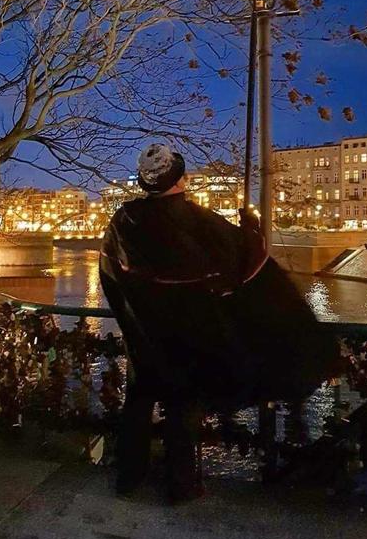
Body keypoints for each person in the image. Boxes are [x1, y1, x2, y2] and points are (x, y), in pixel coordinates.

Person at [100, 144, 339, 502]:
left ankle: (129, 477)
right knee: (183, 405)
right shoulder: (196, 221)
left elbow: (109, 274)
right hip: (188, 338)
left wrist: (135, 316)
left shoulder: (122, 222)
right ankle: (181, 486)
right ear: (181, 179)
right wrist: (251, 231)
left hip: (143, 338)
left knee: (138, 399)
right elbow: (244, 264)